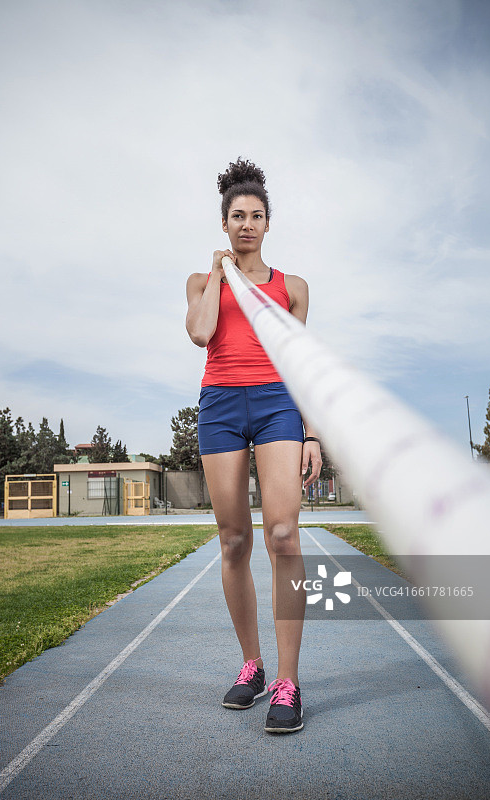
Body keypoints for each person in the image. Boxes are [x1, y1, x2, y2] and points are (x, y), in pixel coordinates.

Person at [185, 157, 322, 734]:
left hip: (275, 405)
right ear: (224, 225)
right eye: (236, 216)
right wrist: (219, 275)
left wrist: (312, 432)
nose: (247, 224)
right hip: (219, 405)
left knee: (284, 534)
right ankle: (252, 665)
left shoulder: (292, 288)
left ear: (269, 224)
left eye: (256, 215)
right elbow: (201, 332)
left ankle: (288, 681)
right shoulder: (200, 283)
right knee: (234, 538)